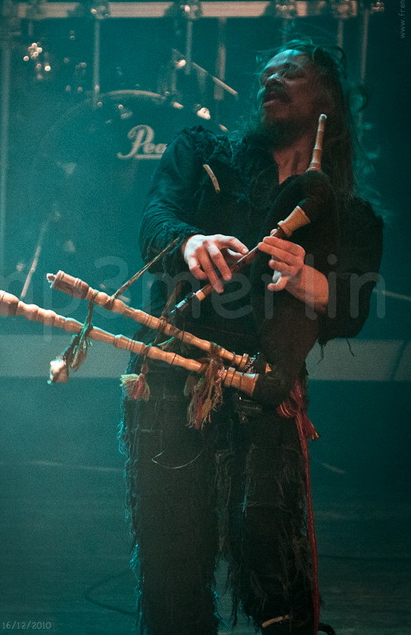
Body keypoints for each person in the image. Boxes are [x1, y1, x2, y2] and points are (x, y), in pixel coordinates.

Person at [120, 41, 383, 635]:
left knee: (272, 559)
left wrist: (314, 283)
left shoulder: (348, 214)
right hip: (174, 372)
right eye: (267, 71)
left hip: (266, 386)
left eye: (291, 70)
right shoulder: (203, 151)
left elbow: (354, 306)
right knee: (172, 559)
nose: (272, 78)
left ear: (328, 99)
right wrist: (190, 242)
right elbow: (156, 217)